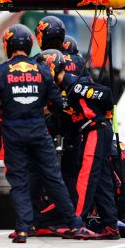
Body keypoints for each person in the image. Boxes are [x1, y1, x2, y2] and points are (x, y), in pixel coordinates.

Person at [0, 25, 95, 243]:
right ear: (28, 45)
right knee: (53, 178)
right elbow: (57, 103)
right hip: (38, 131)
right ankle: (74, 225)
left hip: (13, 133)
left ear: (8, 45)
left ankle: (24, 229)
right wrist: (40, 110)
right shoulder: (44, 70)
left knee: (19, 181)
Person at [43, 49, 120, 239]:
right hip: (90, 131)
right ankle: (111, 227)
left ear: (52, 67)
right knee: (101, 180)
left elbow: (107, 94)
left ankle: (76, 223)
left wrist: (106, 113)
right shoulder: (59, 91)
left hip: (97, 129)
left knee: (86, 176)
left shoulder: (75, 86)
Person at [36, 16, 84, 202]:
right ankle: (74, 207)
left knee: (40, 168)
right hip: (75, 122)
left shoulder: (38, 60)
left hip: (48, 123)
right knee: (73, 170)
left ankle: (45, 204)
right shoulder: (79, 62)